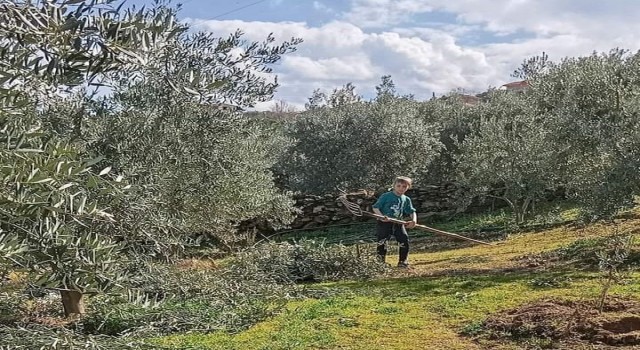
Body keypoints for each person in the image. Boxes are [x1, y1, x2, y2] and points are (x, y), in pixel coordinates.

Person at [372, 176, 417, 268]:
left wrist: (414, 221)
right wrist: (381, 217)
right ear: (394, 186)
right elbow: (375, 207)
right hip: (384, 222)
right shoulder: (386, 196)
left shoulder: (406, 199)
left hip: (398, 223)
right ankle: (380, 263)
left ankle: (402, 261)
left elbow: (411, 211)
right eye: (399, 186)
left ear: (408, 187)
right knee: (383, 242)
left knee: (404, 240)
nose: (401, 188)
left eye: (404, 186)